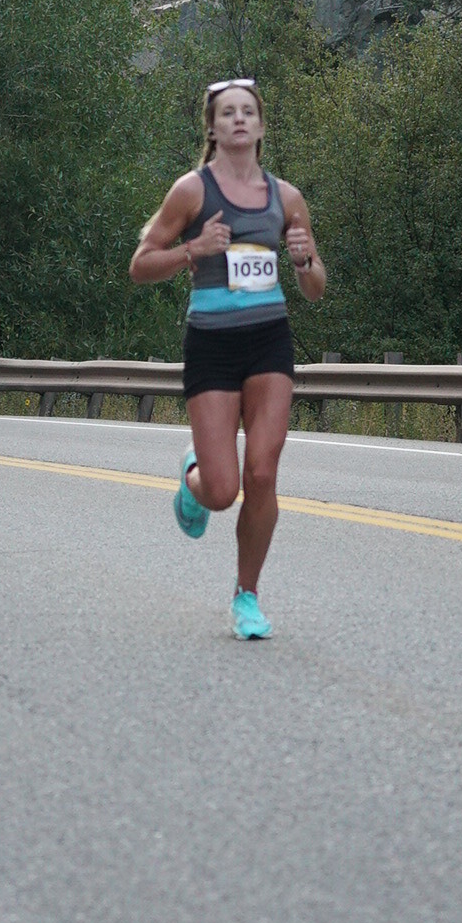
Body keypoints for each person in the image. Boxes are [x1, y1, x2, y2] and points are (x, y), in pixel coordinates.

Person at [130, 79, 325, 638]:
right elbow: (140, 265)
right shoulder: (192, 191)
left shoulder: (287, 198)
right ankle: (193, 477)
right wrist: (192, 250)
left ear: (261, 127)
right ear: (212, 129)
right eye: (227, 113)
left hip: (269, 341)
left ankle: (247, 597)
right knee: (222, 491)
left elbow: (315, 288)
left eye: (248, 112)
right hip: (212, 344)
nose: (239, 119)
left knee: (262, 471)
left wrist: (304, 261)